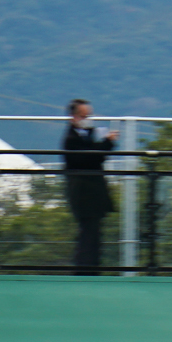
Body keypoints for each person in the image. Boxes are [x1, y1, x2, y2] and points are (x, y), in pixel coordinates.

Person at [61, 99, 118, 275]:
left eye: (89, 116)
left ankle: (91, 268)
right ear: (73, 117)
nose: (88, 119)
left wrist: (103, 142)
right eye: (84, 116)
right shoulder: (71, 139)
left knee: (93, 233)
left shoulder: (87, 135)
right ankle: (85, 270)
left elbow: (95, 156)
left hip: (93, 194)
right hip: (83, 193)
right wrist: (107, 143)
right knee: (88, 233)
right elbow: (90, 159)